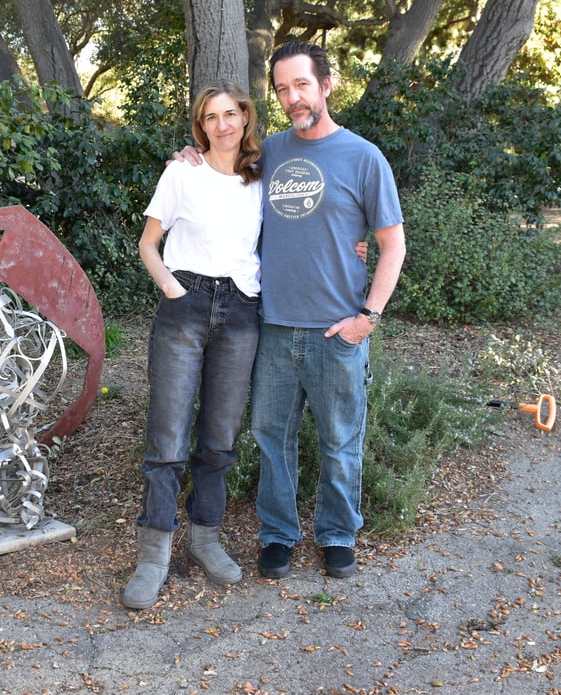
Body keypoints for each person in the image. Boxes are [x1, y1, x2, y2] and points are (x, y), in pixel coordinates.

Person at [179, 40, 405, 580]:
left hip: (337, 329)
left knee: (340, 440)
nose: (292, 97)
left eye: (302, 84)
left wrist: (367, 318)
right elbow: (217, 169)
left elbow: (392, 245)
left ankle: (337, 535)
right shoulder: (269, 152)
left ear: (326, 86)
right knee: (272, 441)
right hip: (272, 325)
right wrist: (187, 158)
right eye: (282, 88)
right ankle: (278, 535)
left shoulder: (364, 157)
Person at [122, 80, 265, 610]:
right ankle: (154, 553)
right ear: (199, 125)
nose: (222, 125)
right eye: (211, 117)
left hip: (242, 312)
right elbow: (148, 242)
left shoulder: (261, 177)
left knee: (221, 435)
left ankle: (206, 537)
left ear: (245, 119)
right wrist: (170, 287)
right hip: (186, 304)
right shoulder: (183, 170)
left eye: (230, 114)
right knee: (167, 435)